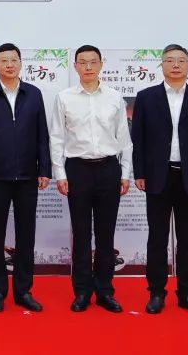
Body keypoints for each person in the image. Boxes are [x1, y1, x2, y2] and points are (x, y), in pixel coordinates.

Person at [131, 44, 188, 316]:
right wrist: (139, 172)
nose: (176, 65)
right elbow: (138, 140)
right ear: (162, 65)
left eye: (181, 60)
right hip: (158, 175)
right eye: (170, 60)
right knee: (156, 237)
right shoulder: (146, 97)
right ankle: (156, 292)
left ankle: (187, 293)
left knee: (187, 237)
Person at [50, 45, 131, 314]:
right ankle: (82, 291)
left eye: (93, 62)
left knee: (106, 235)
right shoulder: (64, 98)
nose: (88, 67)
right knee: (81, 233)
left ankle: (105, 291)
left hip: (109, 169)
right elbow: (57, 138)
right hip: (78, 170)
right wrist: (60, 173)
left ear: (101, 64)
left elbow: (124, 139)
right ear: (75, 66)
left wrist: (125, 173)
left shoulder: (114, 97)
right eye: (82, 62)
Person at [0, 42, 50, 312]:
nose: (9, 64)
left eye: (13, 59)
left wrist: (44, 169)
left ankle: (23, 290)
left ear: (20, 63)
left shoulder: (34, 94)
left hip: (28, 176)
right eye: (3, 60)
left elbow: (42, 134)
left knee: (26, 236)